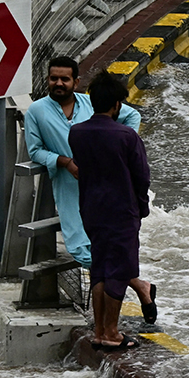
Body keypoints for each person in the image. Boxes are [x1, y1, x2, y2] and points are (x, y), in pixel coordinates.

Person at [24, 56, 156, 323]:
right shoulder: (36, 111)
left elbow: (132, 116)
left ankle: (107, 325)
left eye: (64, 79)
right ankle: (139, 286)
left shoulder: (92, 103)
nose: (58, 83)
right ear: (47, 80)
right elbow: (35, 150)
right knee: (81, 249)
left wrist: (116, 150)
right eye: (53, 78)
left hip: (105, 187)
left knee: (108, 247)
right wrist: (64, 162)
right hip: (70, 187)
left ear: (76, 82)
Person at [69, 73, 154, 352]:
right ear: (117, 104)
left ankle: (99, 331)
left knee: (100, 269)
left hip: (91, 208)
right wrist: (141, 207)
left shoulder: (77, 132)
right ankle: (112, 333)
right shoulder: (127, 136)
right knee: (119, 270)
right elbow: (141, 177)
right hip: (121, 210)